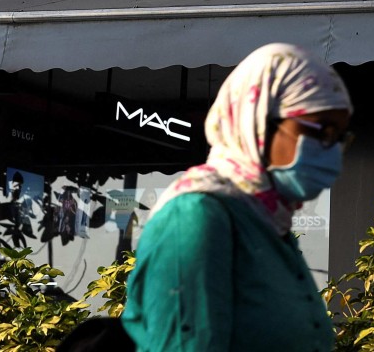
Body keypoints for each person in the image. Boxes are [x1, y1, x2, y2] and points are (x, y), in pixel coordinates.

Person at [121, 43, 353, 352]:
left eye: (339, 137)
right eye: (321, 131)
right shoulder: (196, 216)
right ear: (260, 120)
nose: (332, 150)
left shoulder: (268, 223)